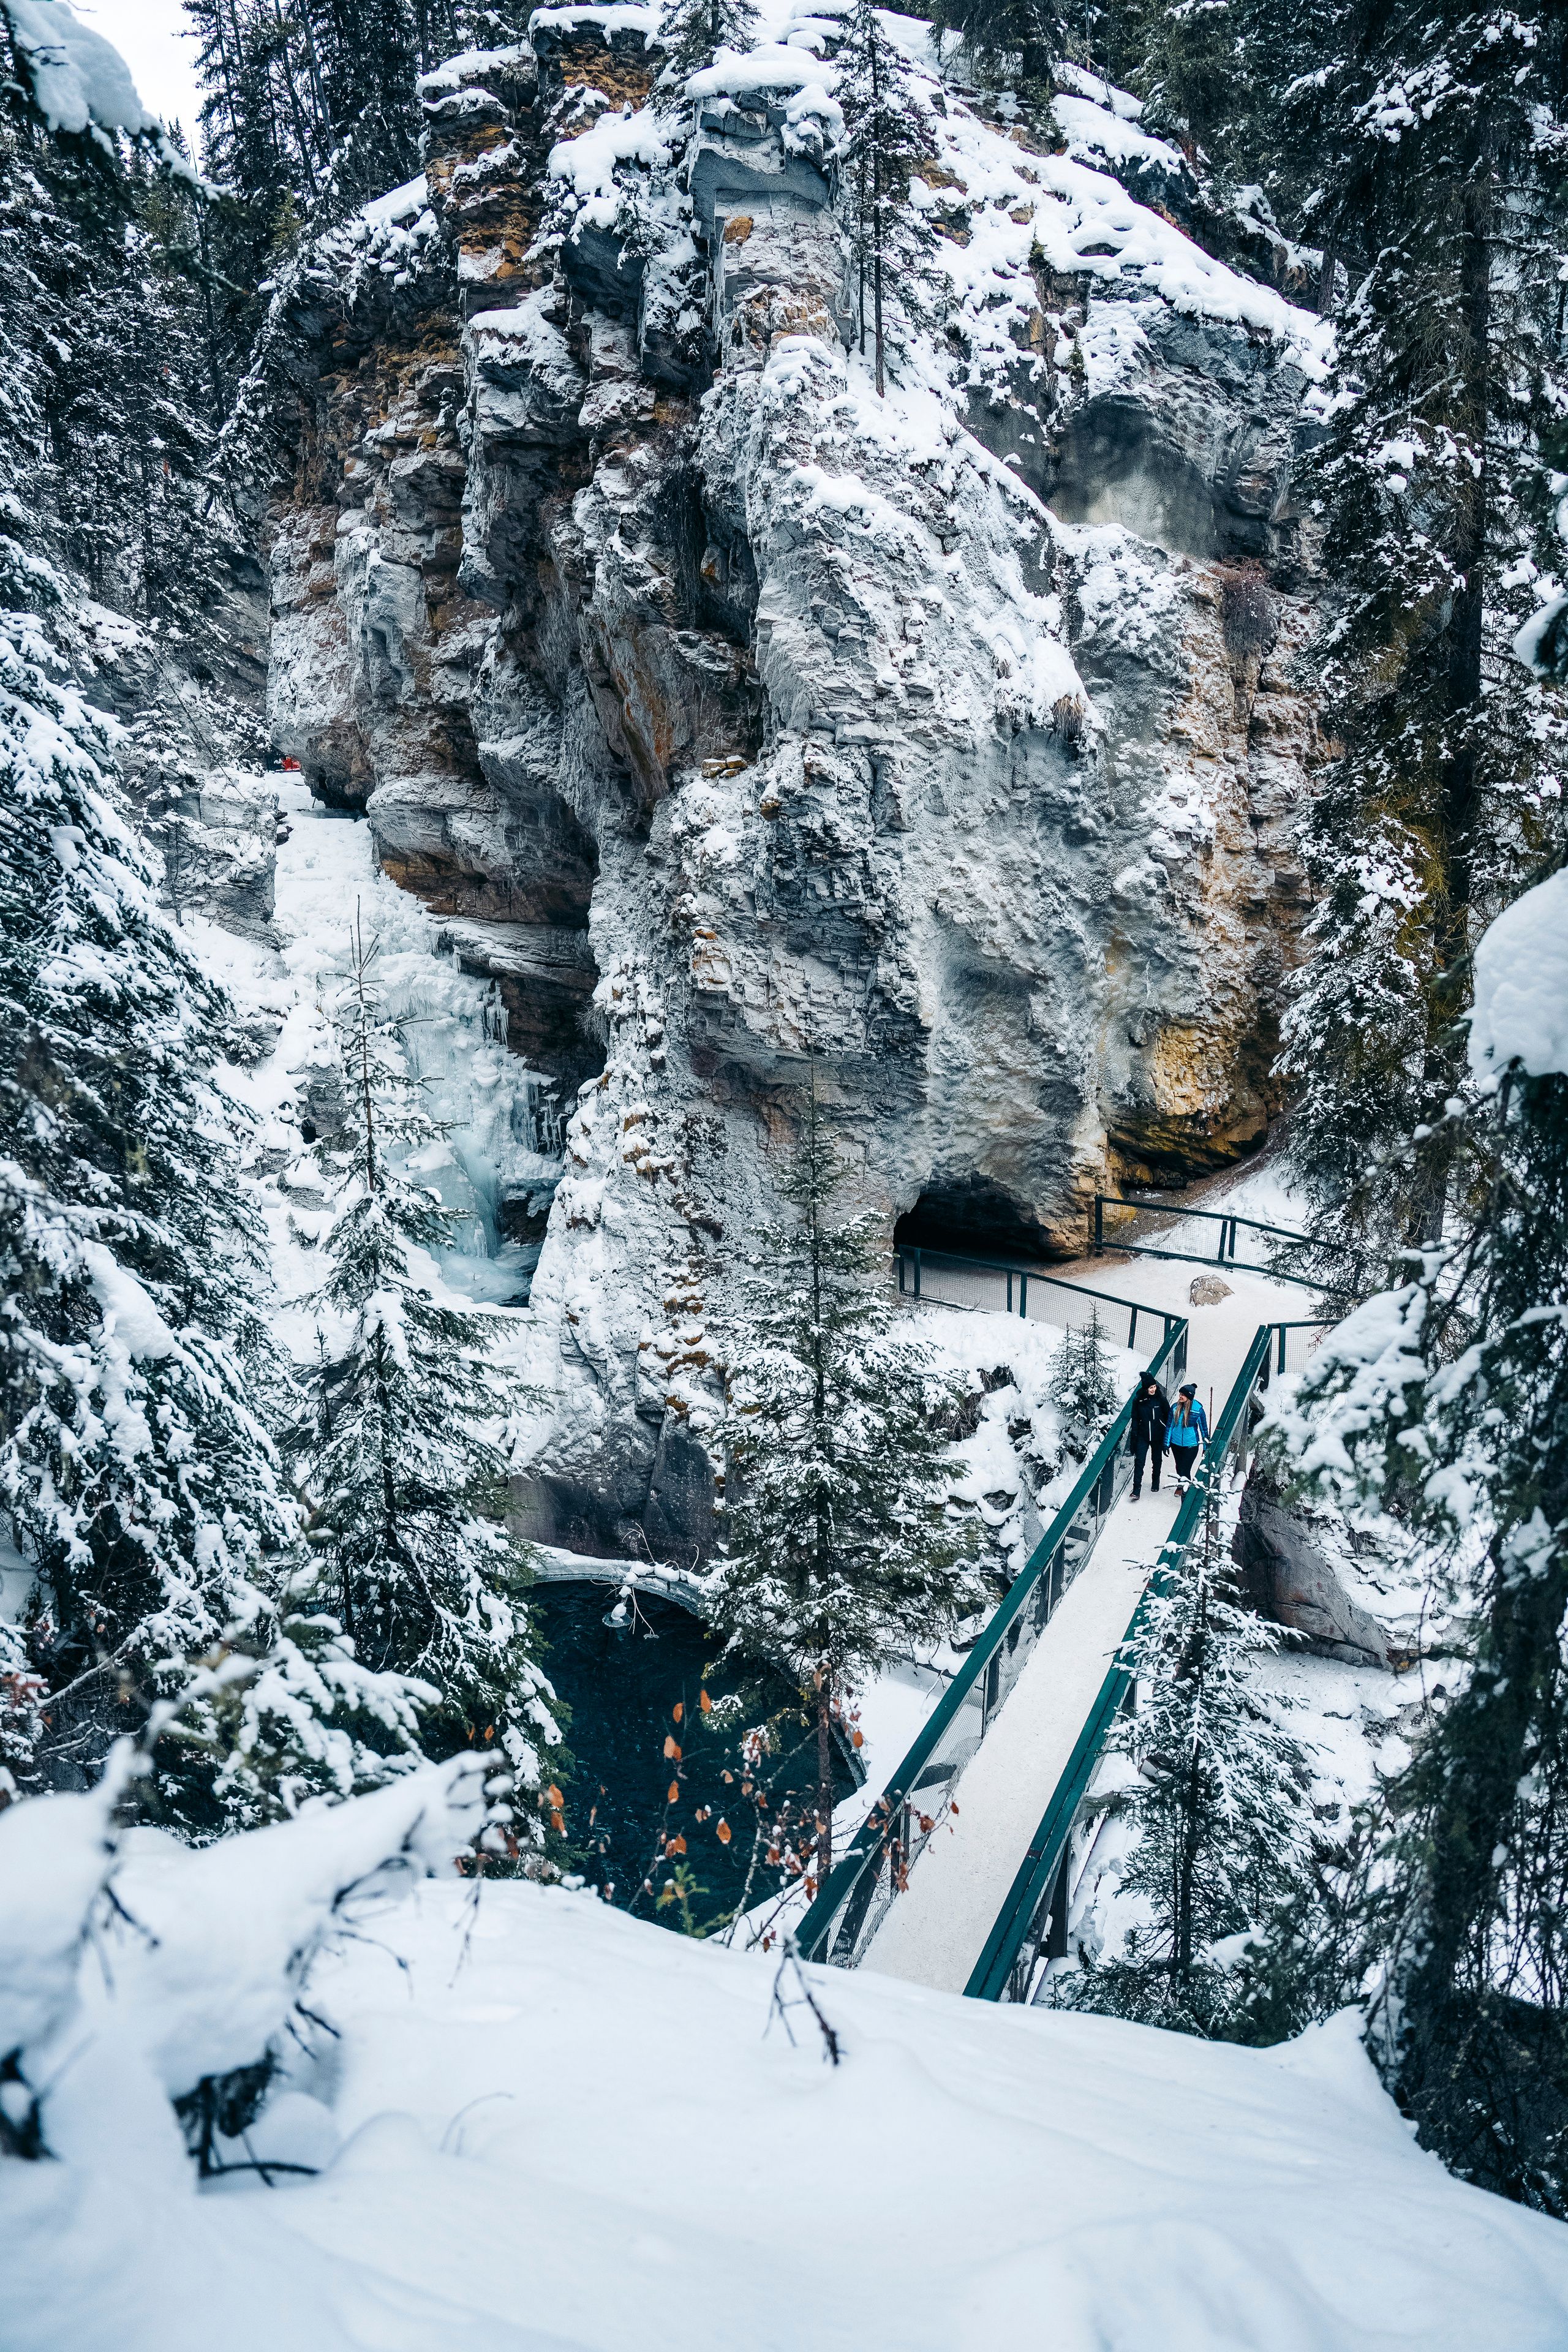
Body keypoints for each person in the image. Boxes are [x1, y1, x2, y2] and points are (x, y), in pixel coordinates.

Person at [1128, 1374, 1169, 1498]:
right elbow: (1135, 1418)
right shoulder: (1139, 1400)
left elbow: (1168, 1416)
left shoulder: (1161, 1399)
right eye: (1151, 1387)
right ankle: (1136, 1489)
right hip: (1143, 1435)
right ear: (1145, 1388)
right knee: (1139, 1461)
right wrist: (1134, 1436)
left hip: (1158, 1435)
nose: (1153, 1389)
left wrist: (1166, 1434)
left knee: (1156, 1460)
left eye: (1154, 1387)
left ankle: (1155, 1481)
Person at [1168, 1383, 1210, 1490]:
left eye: (1183, 1395)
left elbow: (1204, 1429)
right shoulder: (1175, 1407)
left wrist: (1206, 1447)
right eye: (1180, 1394)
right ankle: (1181, 1486)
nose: (1180, 1396)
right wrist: (1166, 1443)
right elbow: (1170, 1426)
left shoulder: (1198, 1410)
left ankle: (1185, 1491)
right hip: (1176, 1443)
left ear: (1189, 1397)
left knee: (1186, 1468)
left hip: (1191, 1445)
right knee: (1179, 1466)